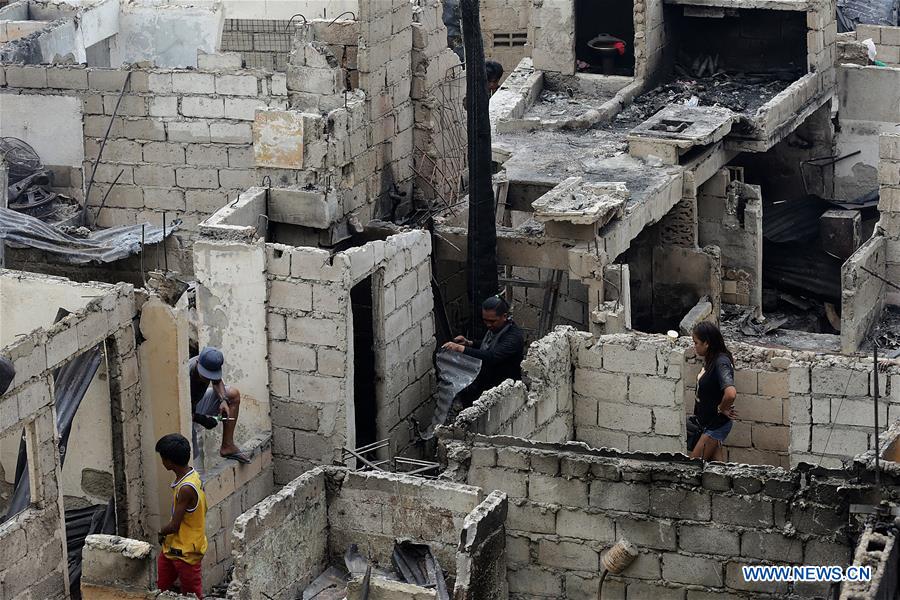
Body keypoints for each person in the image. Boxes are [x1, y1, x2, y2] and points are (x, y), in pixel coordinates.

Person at [442, 296, 525, 400]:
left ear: (504, 316)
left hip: (502, 391)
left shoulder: (513, 337)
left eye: (492, 321)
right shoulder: (497, 329)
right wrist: (469, 343)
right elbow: (489, 345)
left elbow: (492, 356)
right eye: (485, 320)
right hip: (485, 384)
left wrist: (461, 349)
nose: (488, 325)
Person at [156, 433, 207, 599]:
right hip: (174, 547)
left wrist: (161, 532)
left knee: (192, 594)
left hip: (186, 552)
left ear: (169, 461)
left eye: (162, 458)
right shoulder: (192, 475)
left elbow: (174, 526)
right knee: (161, 588)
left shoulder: (186, 488)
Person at [189, 347, 248, 463]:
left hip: (196, 403)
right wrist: (202, 420)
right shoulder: (186, 374)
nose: (208, 379)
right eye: (206, 376)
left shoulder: (206, 362)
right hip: (183, 410)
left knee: (233, 395)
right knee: (192, 454)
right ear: (197, 363)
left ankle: (227, 446)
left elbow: (217, 381)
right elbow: (180, 411)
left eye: (212, 375)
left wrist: (223, 400)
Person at [690, 322, 737, 461]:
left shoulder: (720, 362)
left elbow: (730, 393)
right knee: (717, 468)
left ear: (707, 343)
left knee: (693, 466)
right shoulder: (711, 359)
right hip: (706, 422)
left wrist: (722, 408)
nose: (695, 346)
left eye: (696, 342)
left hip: (715, 424)